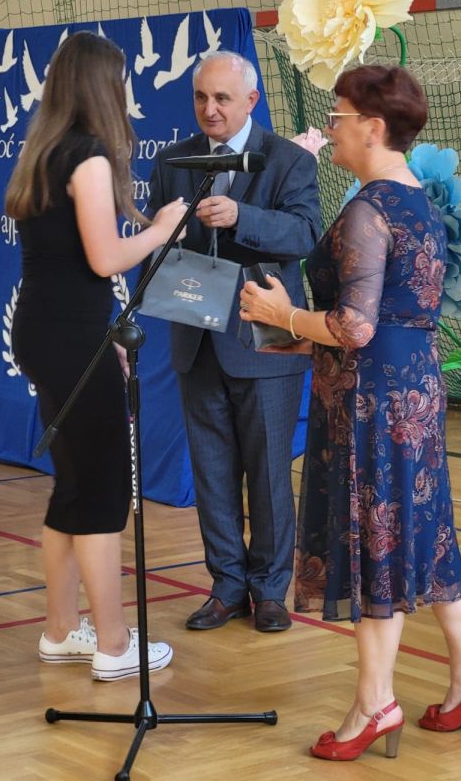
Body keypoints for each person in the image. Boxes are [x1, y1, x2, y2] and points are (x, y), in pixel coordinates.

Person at [240, 64, 461, 761]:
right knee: (428, 533)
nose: (330, 127)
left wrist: (281, 313)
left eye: (338, 116)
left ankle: (374, 704)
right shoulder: (417, 201)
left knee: (374, 545)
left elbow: (354, 327)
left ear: (373, 127)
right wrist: (298, 334)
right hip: (412, 389)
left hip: (372, 403)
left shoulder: (367, 209)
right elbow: (388, 317)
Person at [6, 31, 187, 680]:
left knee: (75, 485)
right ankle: (113, 644)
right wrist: (161, 230)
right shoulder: (87, 158)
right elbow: (106, 258)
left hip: (49, 332)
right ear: (100, 87)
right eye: (119, 81)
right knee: (105, 491)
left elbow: (71, 267)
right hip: (68, 338)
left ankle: (60, 631)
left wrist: (99, 339)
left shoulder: (43, 154)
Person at [147, 50, 321, 633]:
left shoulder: (288, 159)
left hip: (264, 340)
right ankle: (226, 587)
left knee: (269, 473)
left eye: (222, 98)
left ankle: (270, 591)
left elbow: (304, 233)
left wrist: (240, 216)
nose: (210, 109)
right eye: (201, 97)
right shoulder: (173, 160)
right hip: (196, 336)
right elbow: (155, 238)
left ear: (251, 100)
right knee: (212, 472)